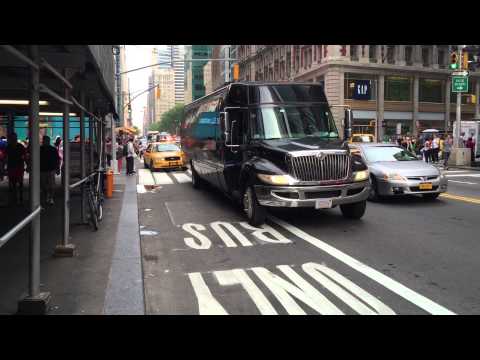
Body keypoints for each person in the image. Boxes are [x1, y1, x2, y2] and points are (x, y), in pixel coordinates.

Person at [6, 133, 26, 204]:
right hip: (12, 167)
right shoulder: (8, 147)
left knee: (20, 183)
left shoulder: (20, 146)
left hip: (18, 167)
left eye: (14, 138)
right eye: (12, 138)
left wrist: (27, 165)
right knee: (13, 183)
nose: (14, 139)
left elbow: (25, 156)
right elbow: (6, 157)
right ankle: (16, 198)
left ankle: (20, 198)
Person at [40, 135, 60, 205]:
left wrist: (58, 168)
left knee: (52, 185)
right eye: (44, 140)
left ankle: (51, 198)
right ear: (43, 141)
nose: (45, 142)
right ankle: (47, 196)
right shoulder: (39, 149)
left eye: (47, 140)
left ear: (48, 141)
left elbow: (57, 159)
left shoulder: (53, 149)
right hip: (42, 170)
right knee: (43, 186)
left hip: (51, 170)